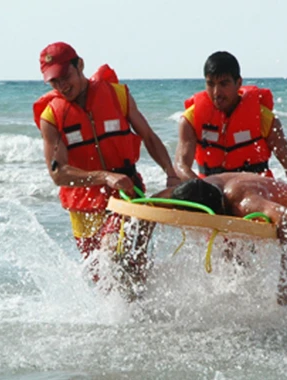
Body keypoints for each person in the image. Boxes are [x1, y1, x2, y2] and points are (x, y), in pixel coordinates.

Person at [32, 42, 180, 292]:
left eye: (65, 76)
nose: (62, 86)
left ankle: (152, 316)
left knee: (116, 255)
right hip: (82, 207)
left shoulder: (117, 95)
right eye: (54, 82)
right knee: (106, 284)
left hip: (126, 195)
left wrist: (171, 172)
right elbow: (58, 173)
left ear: (79, 65)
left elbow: (149, 136)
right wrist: (104, 177)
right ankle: (134, 324)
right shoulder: (52, 117)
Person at [153, 173, 287, 306]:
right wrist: (137, 261)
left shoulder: (243, 203)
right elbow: (148, 205)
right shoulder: (189, 192)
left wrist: (286, 282)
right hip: (270, 200)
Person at [174, 51, 287, 186]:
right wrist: (202, 190)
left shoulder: (264, 118)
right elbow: (181, 166)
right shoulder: (190, 120)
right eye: (210, 84)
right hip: (211, 191)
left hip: (255, 191)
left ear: (238, 83)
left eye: (223, 84)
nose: (216, 93)